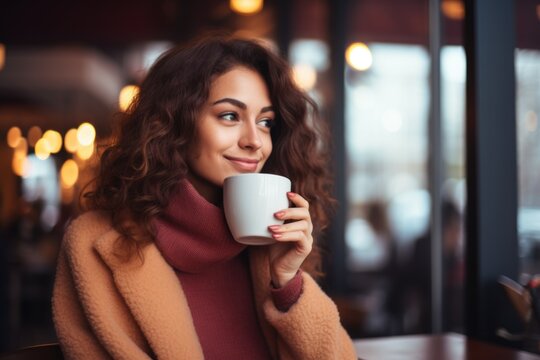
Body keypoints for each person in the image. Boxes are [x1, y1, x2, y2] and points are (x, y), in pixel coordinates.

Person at [52, 35, 357, 359]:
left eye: (266, 122)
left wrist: (288, 285)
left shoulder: (268, 246)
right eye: (229, 116)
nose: (255, 141)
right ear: (174, 122)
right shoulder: (92, 242)